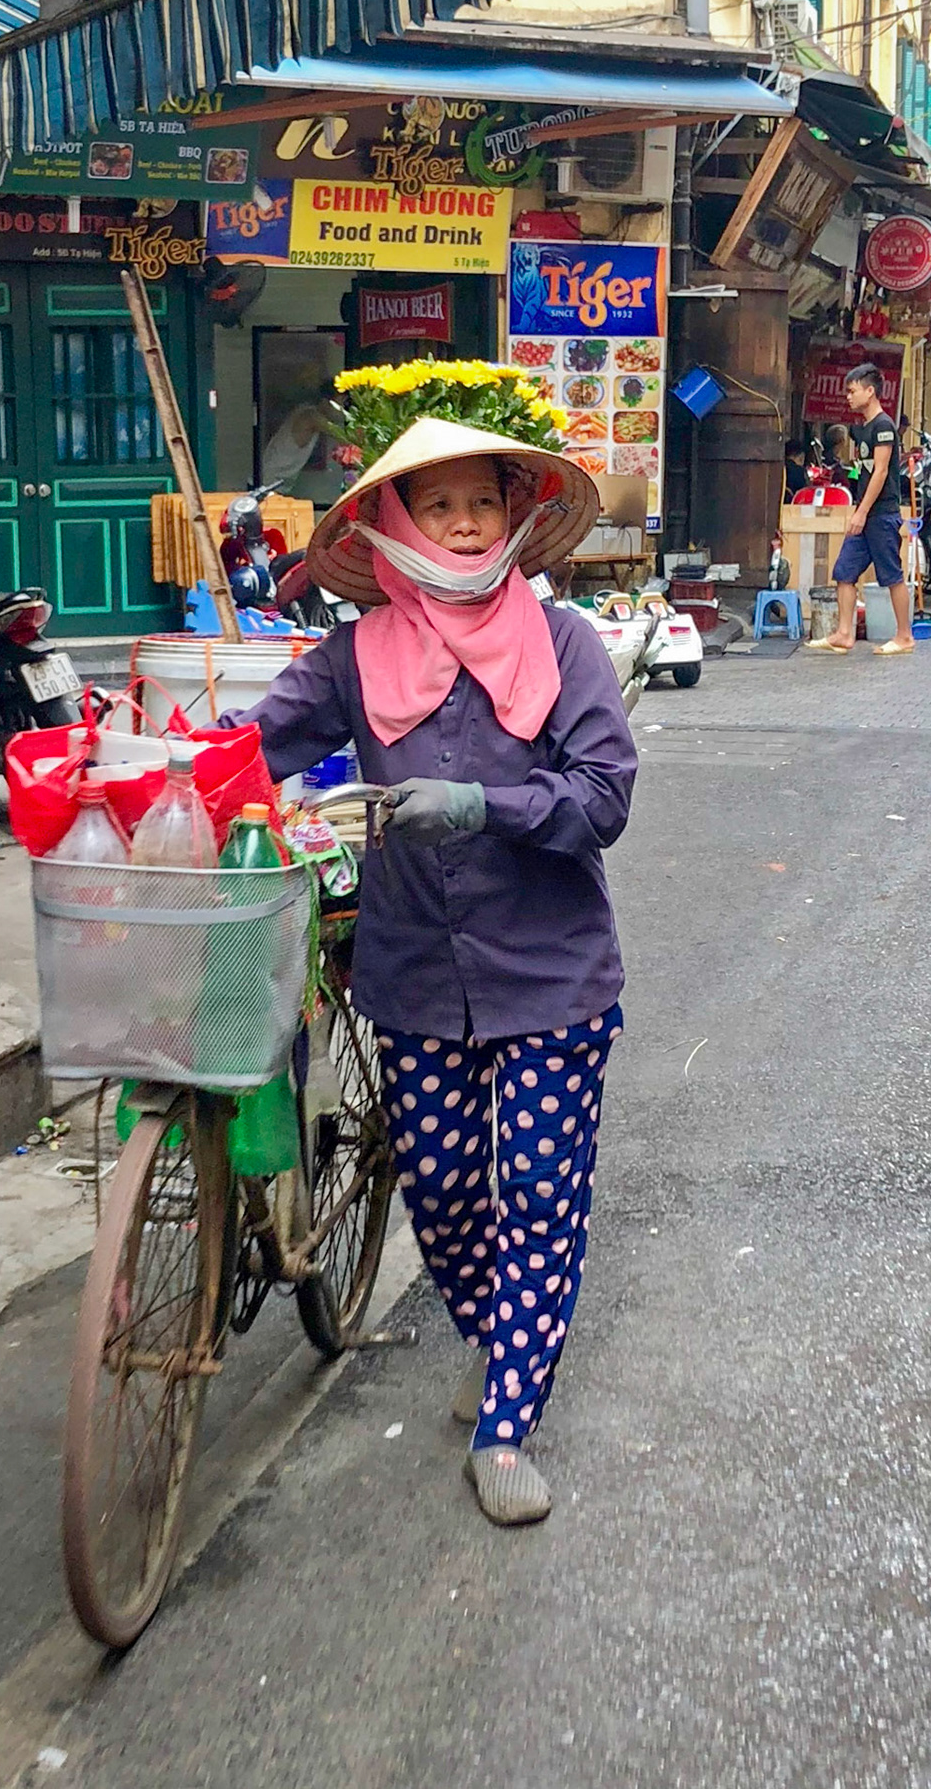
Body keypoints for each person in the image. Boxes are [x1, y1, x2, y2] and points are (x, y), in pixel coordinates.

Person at [236, 399, 636, 1528]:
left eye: (482, 504)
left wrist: (483, 804)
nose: (464, 525)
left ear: (514, 519)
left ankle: (505, 1423)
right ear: (397, 526)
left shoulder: (564, 645)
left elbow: (604, 795)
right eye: (439, 505)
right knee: (446, 1189)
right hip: (413, 970)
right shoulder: (355, 656)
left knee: (541, 1196)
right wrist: (157, 767)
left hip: (552, 972)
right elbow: (255, 742)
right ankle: (501, 1338)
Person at [808, 363, 914, 654]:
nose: (848, 397)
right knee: (844, 571)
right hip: (864, 514)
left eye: (852, 391)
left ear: (870, 391)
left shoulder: (883, 426)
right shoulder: (863, 429)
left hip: (881, 514)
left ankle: (904, 636)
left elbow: (881, 472)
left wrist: (862, 511)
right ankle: (844, 633)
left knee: (891, 575)